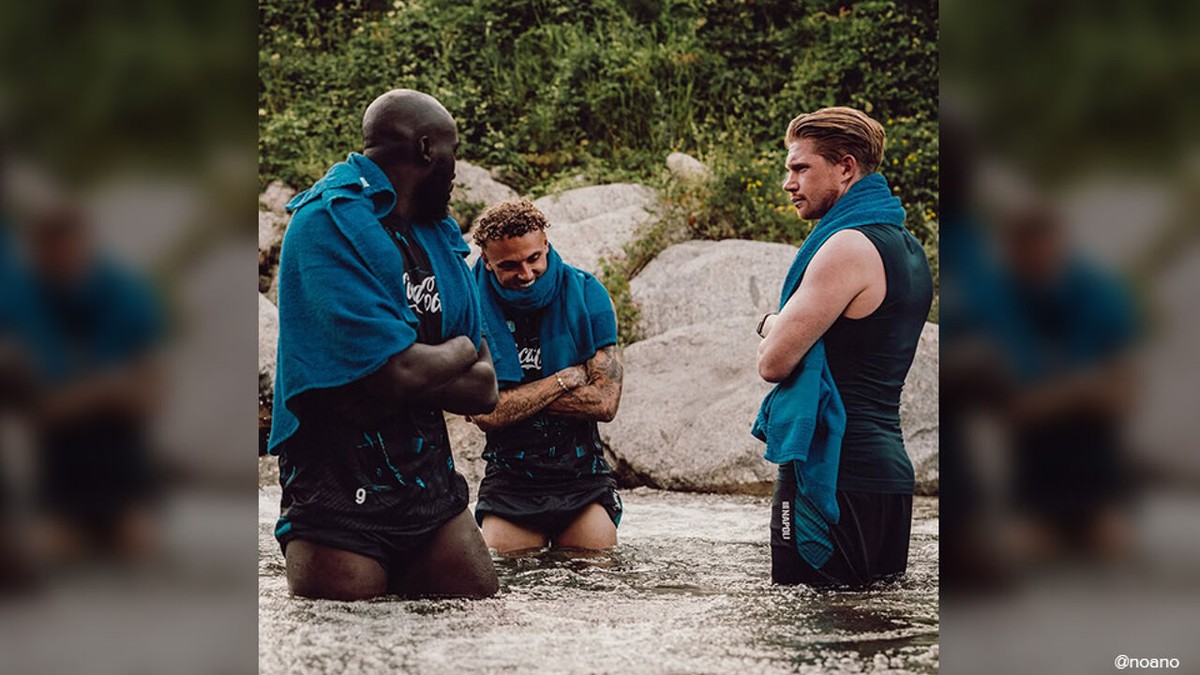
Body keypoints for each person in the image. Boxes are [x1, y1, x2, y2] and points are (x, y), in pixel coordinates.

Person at [268, 89, 499, 600]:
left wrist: (404, 371)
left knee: (484, 619)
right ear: (426, 149)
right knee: (349, 638)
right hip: (336, 495)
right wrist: (459, 350)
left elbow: (485, 389)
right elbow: (397, 372)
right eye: (453, 152)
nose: (456, 171)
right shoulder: (324, 223)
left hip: (430, 488)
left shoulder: (437, 235)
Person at [754, 107, 933, 587]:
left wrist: (771, 323)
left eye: (800, 168)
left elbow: (774, 362)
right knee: (872, 622)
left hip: (831, 472)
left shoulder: (847, 246)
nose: (788, 183)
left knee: (805, 621)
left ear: (846, 168)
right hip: (889, 475)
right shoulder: (909, 250)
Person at [467, 198, 624, 554]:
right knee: (507, 577)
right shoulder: (469, 305)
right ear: (487, 261)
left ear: (546, 245)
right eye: (509, 265)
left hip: (583, 479)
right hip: (509, 482)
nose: (525, 274)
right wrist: (563, 380)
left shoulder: (588, 293)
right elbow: (487, 414)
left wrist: (513, 399)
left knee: (597, 572)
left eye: (534, 258)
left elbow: (605, 403)